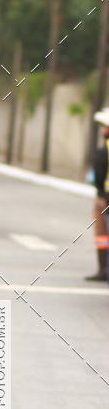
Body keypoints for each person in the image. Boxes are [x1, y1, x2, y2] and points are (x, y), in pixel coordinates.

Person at [89, 107, 109, 281]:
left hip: (105, 199)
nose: (103, 130)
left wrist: (100, 194)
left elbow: (99, 174)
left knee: (103, 234)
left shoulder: (105, 150)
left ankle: (104, 270)